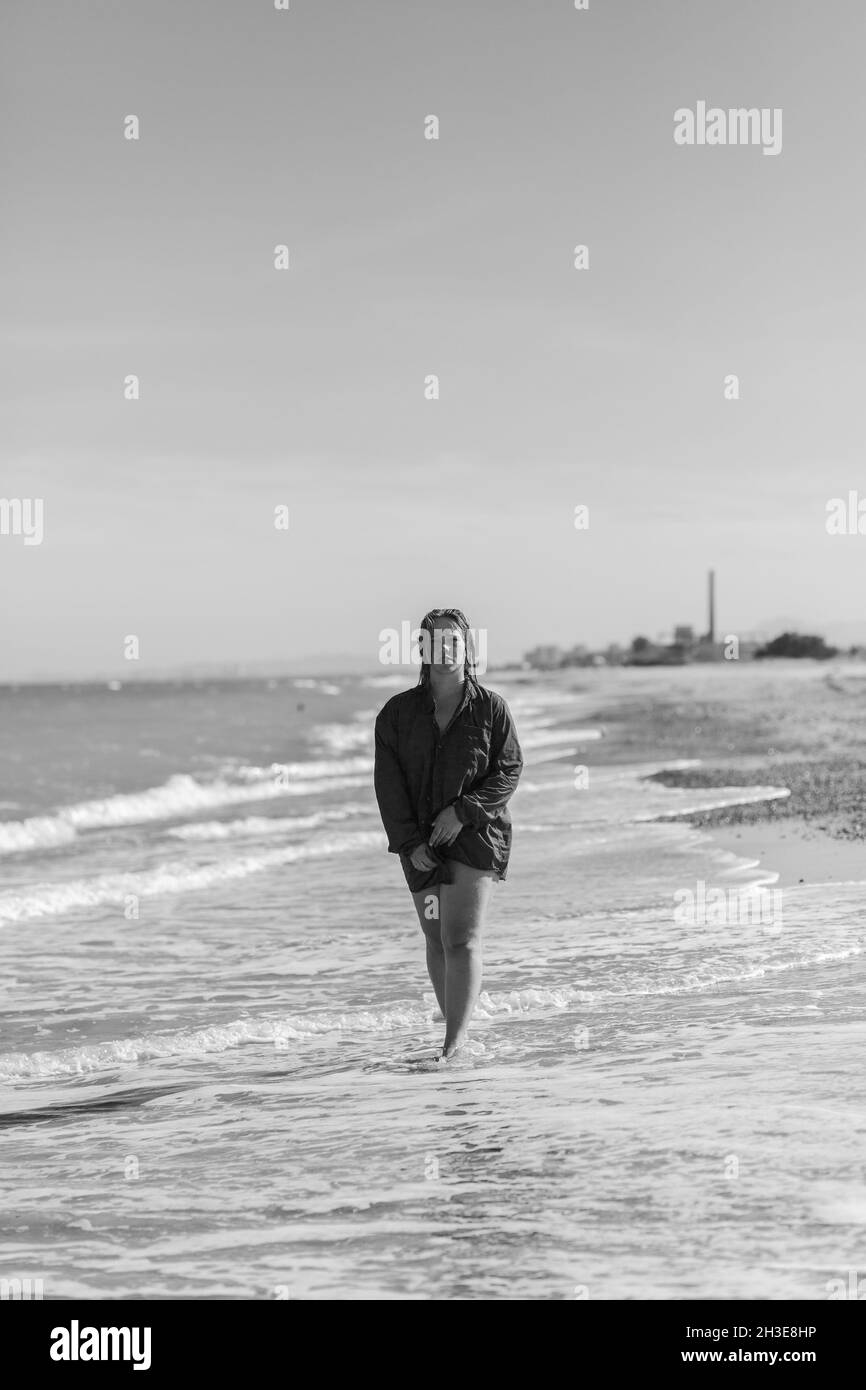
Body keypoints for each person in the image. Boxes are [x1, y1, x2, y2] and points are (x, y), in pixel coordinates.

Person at [373, 608, 523, 1060]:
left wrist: (463, 812)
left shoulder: (491, 708)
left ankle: (453, 1045)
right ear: (421, 649)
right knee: (436, 937)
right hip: (419, 842)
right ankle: (458, 1031)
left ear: (467, 648)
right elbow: (389, 784)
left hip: (476, 835)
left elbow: (508, 769)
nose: (445, 650)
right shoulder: (397, 714)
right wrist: (409, 843)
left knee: (462, 939)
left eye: (453, 641)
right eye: (435, 642)